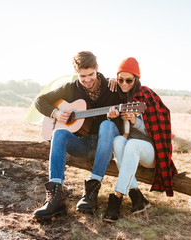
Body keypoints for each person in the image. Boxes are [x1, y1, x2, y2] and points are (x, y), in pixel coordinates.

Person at [32, 51, 122, 220]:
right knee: (58, 132)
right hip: (81, 144)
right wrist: (55, 114)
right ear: (76, 73)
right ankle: (55, 196)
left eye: (91, 74)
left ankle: (90, 193)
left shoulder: (112, 87)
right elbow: (40, 101)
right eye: (82, 76)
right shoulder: (70, 89)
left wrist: (115, 117)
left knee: (107, 125)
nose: (87, 80)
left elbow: (128, 107)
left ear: (97, 68)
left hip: (105, 144)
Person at [103, 57, 178, 222]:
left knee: (132, 144)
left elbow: (157, 132)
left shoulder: (146, 95)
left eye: (128, 80)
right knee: (118, 141)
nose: (124, 83)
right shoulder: (120, 97)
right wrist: (112, 117)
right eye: (120, 79)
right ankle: (137, 198)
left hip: (152, 151)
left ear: (136, 79)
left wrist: (134, 121)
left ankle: (116, 198)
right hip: (132, 149)